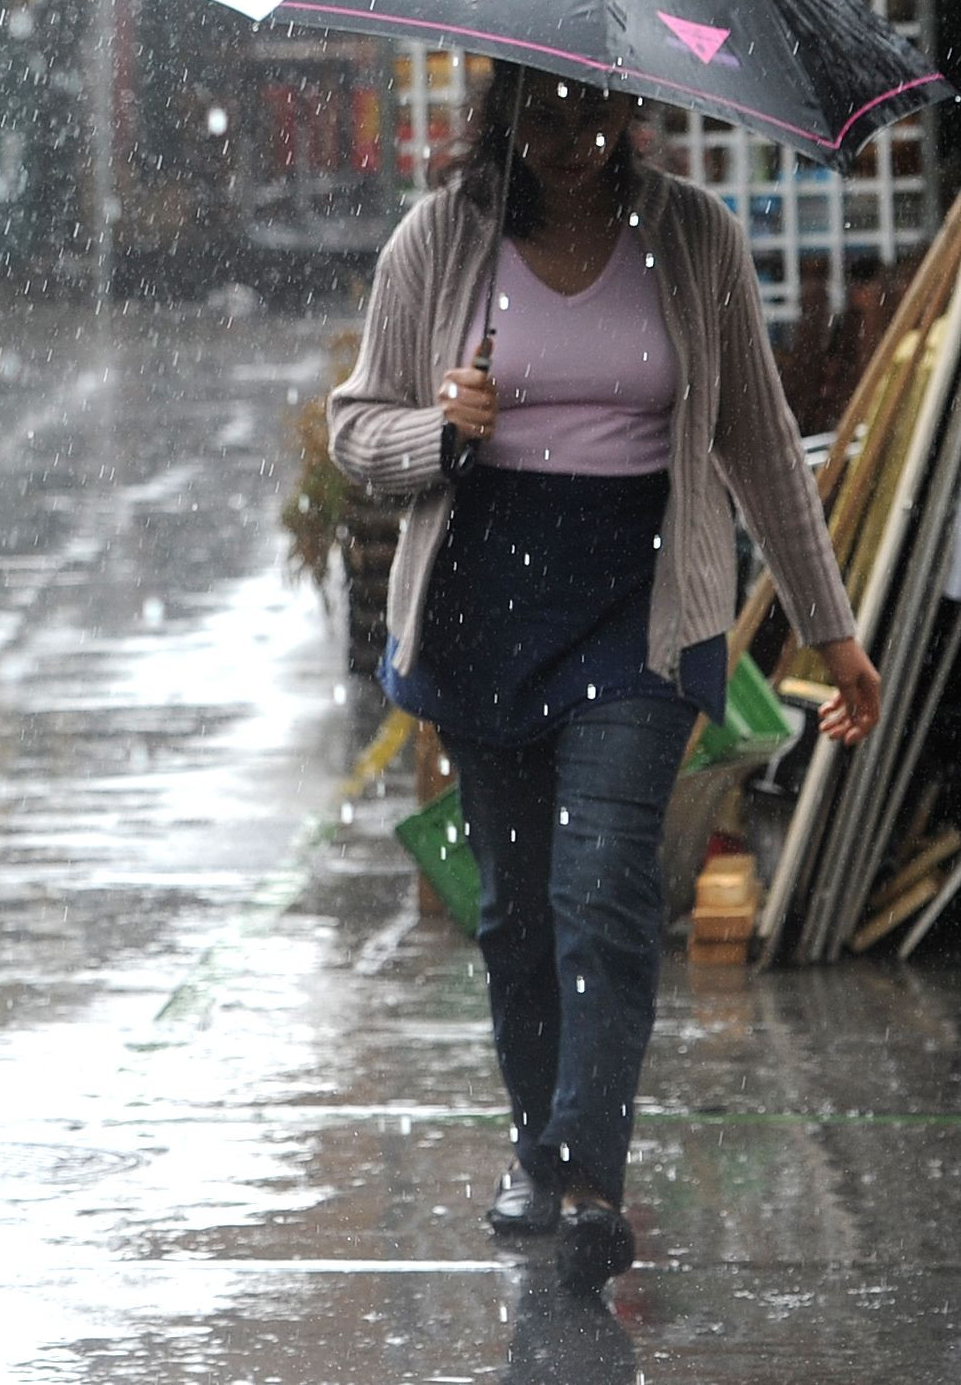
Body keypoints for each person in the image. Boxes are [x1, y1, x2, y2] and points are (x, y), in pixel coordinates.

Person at [329, 65, 880, 1296]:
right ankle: (535, 1144)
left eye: (595, 113)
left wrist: (827, 625)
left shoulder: (690, 237)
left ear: (632, 111)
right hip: (484, 604)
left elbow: (756, 445)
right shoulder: (439, 240)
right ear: (502, 114)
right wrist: (440, 427)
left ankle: (587, 1178)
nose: (573, 143)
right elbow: (353, 429)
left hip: (640, 606)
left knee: (603, 883)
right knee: (514, 907)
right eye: (544, 116)